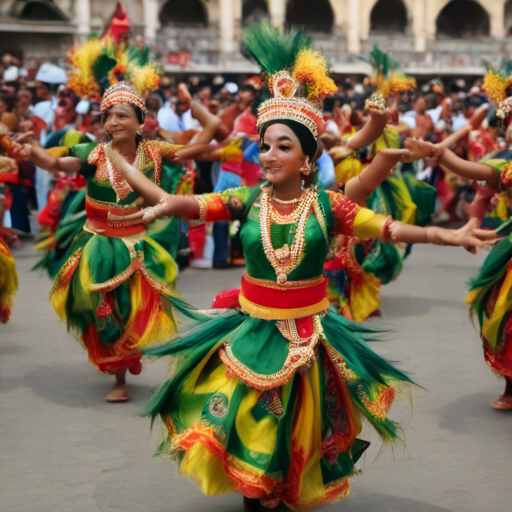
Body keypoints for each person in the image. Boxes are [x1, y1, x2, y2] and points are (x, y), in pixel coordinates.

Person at [107, 23, 494, 511]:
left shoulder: (329, 206)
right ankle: (257, 489)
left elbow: (391, 228)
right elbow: (186, 202)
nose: (269, 155)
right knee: (246, 416)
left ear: (307, 159)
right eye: (265, 145)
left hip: (310, 331)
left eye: (283, 146)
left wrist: (449, 234)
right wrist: (157, 200)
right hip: (253, 327)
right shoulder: (246, 199)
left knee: (297, 421)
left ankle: (278, 487)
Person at [6, 81, 220, 402]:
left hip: (138, 243)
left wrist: (194, 106)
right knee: (105, 313)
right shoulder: (92, 154)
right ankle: (118, 374)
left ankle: (125, 363)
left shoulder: (155, 152)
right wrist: (32, 150)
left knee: (131, 311)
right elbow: (54, 163)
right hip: (99, 245)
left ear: (140, 121)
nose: (113, 122)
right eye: (108, 117)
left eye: (122, 115)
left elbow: (207, 140)